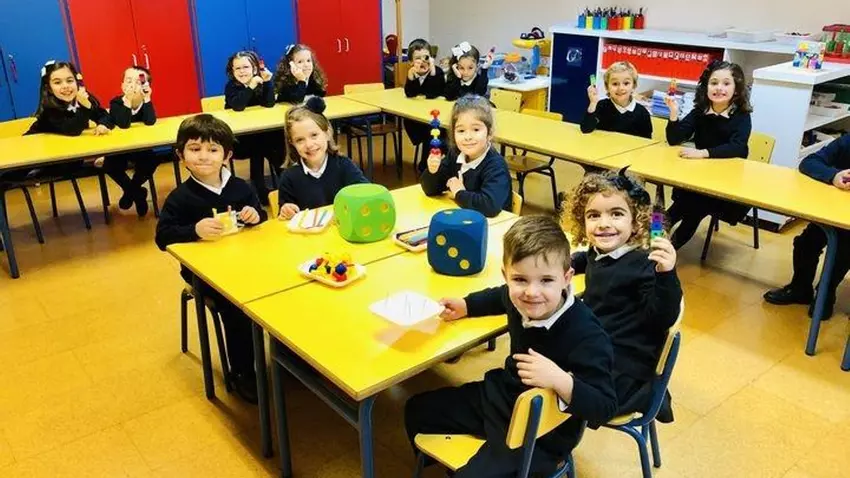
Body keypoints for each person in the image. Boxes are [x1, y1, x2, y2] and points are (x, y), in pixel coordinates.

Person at [405, 215, 617, 477]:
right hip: (502, 398)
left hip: (543, 435)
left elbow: (605, 407)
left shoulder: (587, 335)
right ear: (507, 276)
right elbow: (499, 297)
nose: (532, 292)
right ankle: (448, 468)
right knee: (417, 410)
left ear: (566, 278)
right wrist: (467, 305)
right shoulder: (518, 299)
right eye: (520, 280)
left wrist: (560, 379)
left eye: (546, 280)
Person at [155, 114, 267, 403]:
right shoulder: (180, 197)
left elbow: (261, 215)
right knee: (236, 307)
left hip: (245, 262)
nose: (204, 156)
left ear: (227, 155)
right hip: (205, 274)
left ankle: (289, 356)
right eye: (195, 149)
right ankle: (242, 371)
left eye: (213, 149)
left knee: (280, 287)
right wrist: (193, 230)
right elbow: (162, 237)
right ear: (181, 155)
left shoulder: (241, 187)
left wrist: (255, 215)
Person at [563, 170, 682, 420]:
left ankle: (553, 437)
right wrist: (565, 263)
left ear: (636, 222)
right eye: (594, 215)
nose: (604, 223)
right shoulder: (604, 250)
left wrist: (666, 273)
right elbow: (590, 258)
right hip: (599, 344)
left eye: (616, 214)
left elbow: (662, 316)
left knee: (551, 383)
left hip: (620, 371)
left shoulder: (645, 265)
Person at [664, 60, 753, 249]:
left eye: (726, 83)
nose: (719, 88)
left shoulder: (741, 116)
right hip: (698, 177)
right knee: (669, 213)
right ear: (705, 87)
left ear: (736, 89)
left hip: (724, 183)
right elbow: (674, 139)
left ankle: (667, 251)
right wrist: (673, 113)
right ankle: (651, 246)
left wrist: (703, 153)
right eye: (713, 83)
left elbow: (737, 147)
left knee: (693, 213)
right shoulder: (700, 112)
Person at [763, 134, 850, 319]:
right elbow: (809, 162)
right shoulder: (847, 142)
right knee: (805, 244)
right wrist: (834, 176)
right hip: (833, 212)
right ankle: (800, 288)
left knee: (843, 252)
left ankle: (826, 293)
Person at [419, 95, 511, 217]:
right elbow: (430, 190)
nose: (468, 137)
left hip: (494, 225)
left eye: (476, 130)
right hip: (464, 218)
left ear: (489, 133)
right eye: (461, 131)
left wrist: (459, 193)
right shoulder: (455, 155)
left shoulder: (496, 166)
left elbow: (490, 206)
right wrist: (433, 172)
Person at [276, 97, 368, 219]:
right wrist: (285, 211)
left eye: (314, 135)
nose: (309, 145)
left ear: (327, 133)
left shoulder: (344, 166)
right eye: (300, 140)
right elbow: (283, 217)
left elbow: (366, 193)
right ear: (292, 143)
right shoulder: (289, 177)